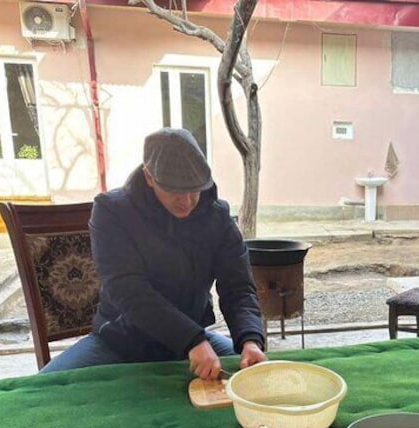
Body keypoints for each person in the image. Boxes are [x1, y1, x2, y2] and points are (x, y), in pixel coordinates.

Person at [41, 128, 266, 379]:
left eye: (194, 189)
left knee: (258, 378)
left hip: (196, 340)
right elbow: (129, 291)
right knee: (40, 390)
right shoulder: (111, 212)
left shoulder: (217, 216)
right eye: (175, 191)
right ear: (149, 176)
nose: (187, 200)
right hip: (122, 343)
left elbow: (238, 288)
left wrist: (250, 339)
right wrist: (191, 340)